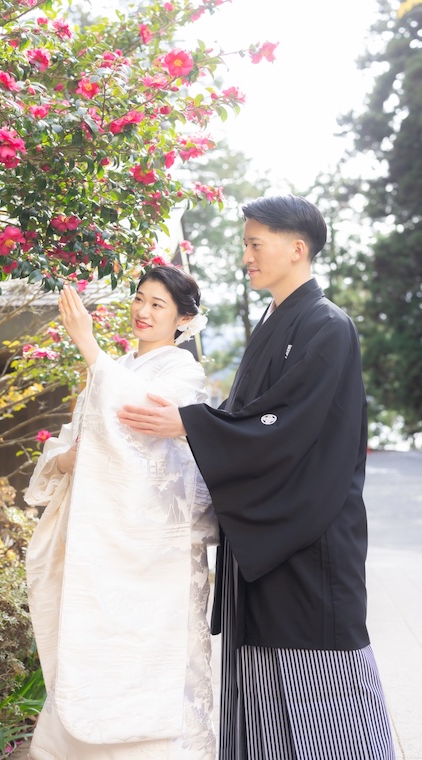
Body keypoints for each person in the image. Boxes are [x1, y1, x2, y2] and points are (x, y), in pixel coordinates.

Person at [118, 195, 396, 760]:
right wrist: (194, 427)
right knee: (263, 699)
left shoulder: (326, 325)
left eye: (254, 243)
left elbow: (285, 427)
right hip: (266, 540)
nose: (245, 255)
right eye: (244, 243)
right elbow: (252, 420)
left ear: (297, 248)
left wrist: (190, 425)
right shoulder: (276, 321)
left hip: (308, 540)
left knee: (327, 696)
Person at [24, 265, 219, 760]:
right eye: (139, 299)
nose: (143, 311)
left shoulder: (183, 371)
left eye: (158, 304)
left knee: (152, 661)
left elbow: (140, 428)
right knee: (93, 653)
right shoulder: (117, 370)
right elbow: (74, 445)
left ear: (183, 320)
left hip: (155, 551)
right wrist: (67, 458)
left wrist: (91, 350)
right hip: (103, 544)